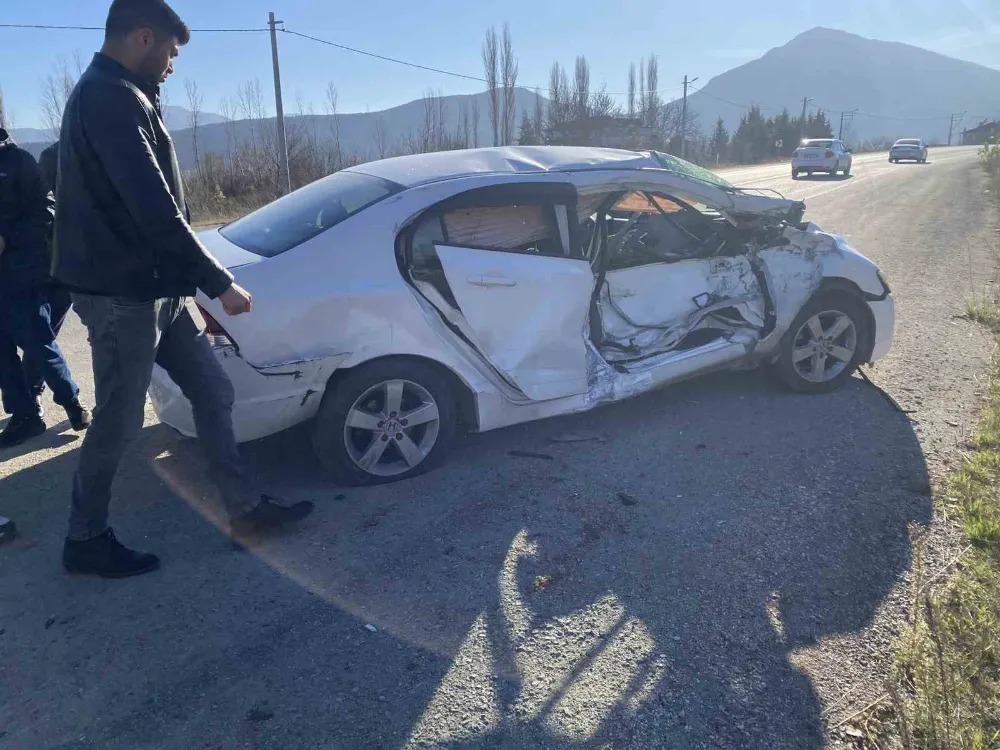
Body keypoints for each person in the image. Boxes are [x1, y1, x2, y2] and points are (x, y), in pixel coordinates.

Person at [52, 0, 314, 579]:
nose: (173, 65)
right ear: (143, 38)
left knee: (213, 389)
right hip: (123, 294)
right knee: (119, 420)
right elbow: (154, 208)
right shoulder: (108, 98)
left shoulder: (126, 93)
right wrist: (219, 283)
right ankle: (85, 538)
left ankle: (244, 511)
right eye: (171, 52)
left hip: (155, 289)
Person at [0, 127, 90, 448]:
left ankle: (72, 402)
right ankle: (25, 416)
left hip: (22, 274)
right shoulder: (25, 161)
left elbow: (44, 210)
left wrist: (7, 239)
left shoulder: (18, 161)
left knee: (40, 342)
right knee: (3, 356)